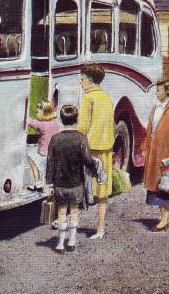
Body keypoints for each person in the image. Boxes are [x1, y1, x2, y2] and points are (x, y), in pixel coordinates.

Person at [46, 104, 100, 253]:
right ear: (76, 119)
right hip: (76, 183)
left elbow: (50, 162)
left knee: (62, 211)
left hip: (59, 184)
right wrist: (95, 168)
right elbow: (88, 160)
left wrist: (49, 183)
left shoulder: (55, 139)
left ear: (62, 120)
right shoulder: (81, 138)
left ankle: (60, 244)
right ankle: (72, 241)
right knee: (74, 211)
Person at [141, 77, 169, 232]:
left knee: (165, 185)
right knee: (156, 185)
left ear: (167, 91)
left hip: (166, 154)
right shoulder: (156, 107)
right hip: (154, 152)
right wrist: (144, 146)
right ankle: (163, 217)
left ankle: (164, 219)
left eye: (158, 90)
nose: (156, 93)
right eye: (156, 90)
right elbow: (149, 128)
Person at [76, 63, 114, 239]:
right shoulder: (106, 97)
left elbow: (83, 127)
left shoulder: (87, 98)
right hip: (106, 147)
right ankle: (100, 229)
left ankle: (68, 221)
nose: (81, 82)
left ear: (90, 80)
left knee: (77, 185)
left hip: (89, 149)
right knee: (102, 190)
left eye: (82, 79)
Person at [26, 100, 60, 192]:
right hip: (53, 154)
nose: (36, 113)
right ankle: (42, 185)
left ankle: (38, 184)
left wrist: (24, 116)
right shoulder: (54, 123)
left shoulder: (44, 125)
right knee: (45, 169)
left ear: (44, 112)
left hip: (45, 154)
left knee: (31, 159)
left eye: (38, 111)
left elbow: (32, 123)